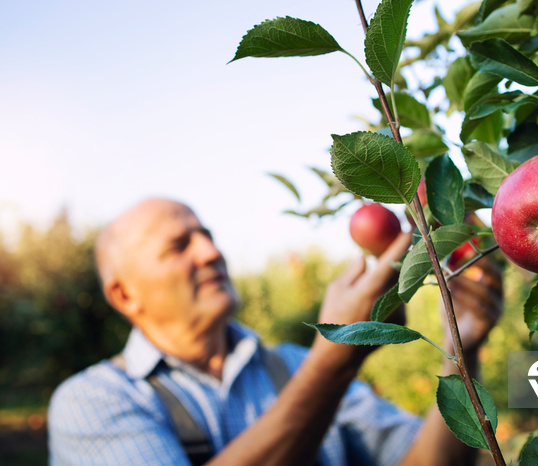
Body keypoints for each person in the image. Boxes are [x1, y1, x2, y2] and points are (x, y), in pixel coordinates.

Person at [48, 197, 502, 465]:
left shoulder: (291, 365)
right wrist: (335, 356)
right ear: (125, 294)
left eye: (207, 235)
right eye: (179, 246)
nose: (211, 252)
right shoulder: (92, 402)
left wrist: (459, 348)